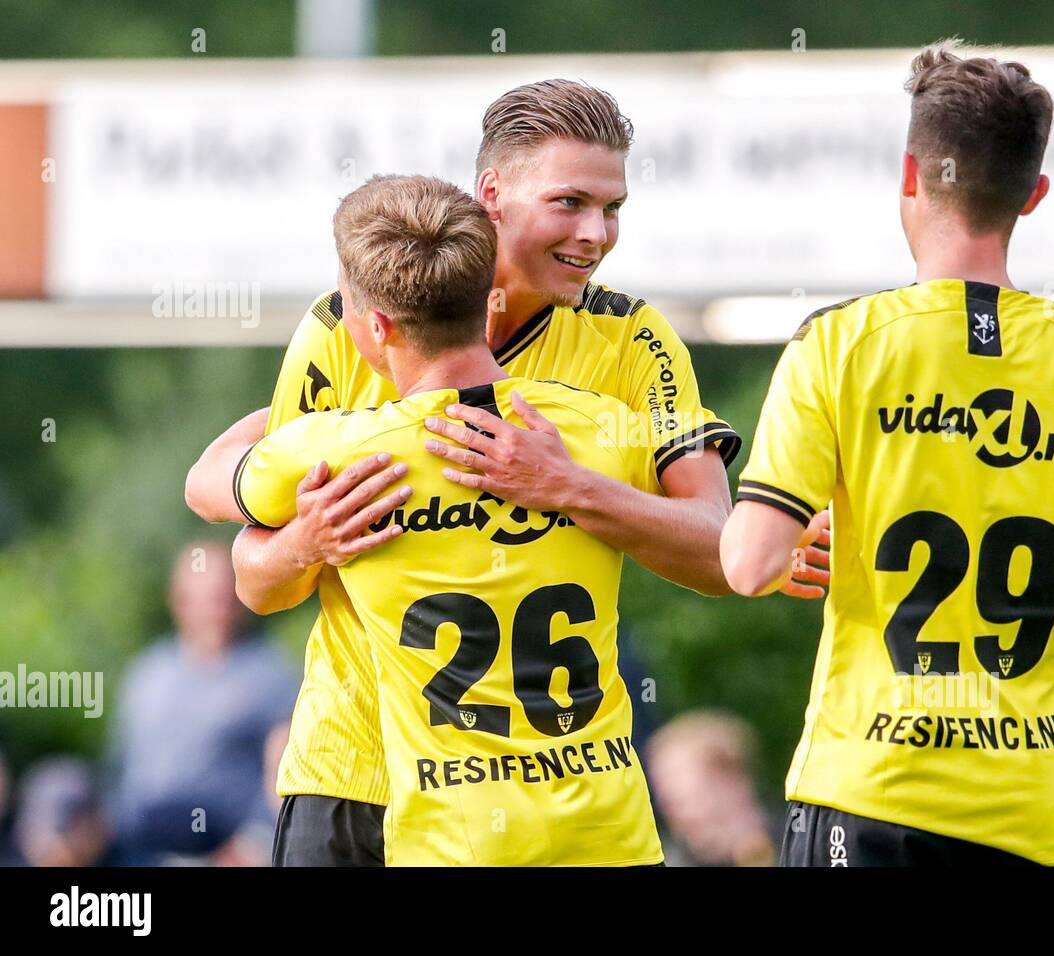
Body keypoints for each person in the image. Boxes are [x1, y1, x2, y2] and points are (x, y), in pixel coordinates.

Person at [184, 79, 819, 866]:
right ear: (493, 193)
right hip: (354, 774)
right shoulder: (356, 320)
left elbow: (719, 552)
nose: (597, 233)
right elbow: (257, 575)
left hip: (546, 801)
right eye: (570, 203)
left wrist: (570, 487)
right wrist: (307, 542)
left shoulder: (633, 342)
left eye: (613, 208)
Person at [719, 40, 1054, 867]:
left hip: (861, 796)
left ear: (912, 177)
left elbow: (746, 566)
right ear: (1034, 195)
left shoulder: (838, 346)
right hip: (1015, 821)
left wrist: (791, 544)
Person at [223, 174, 665, 864]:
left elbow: (213, 480)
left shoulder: (338, 451)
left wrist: (306, 515)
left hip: (443, 834)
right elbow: (725, 541)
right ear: (488, 296)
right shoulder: (599, 427)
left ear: (374, 327)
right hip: (607, 834)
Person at [108, 542, 296, 860]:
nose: (217, 608)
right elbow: (120, 770)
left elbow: (288, 778)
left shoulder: (272, 677)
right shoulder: (147, 674)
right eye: (207, 598)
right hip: (142, 849)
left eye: (225, 595)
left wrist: (256, 842)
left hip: (230, 851)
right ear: (178, 601)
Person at [645, 711, 778, 866]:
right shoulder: (670, 859)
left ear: (729, 777)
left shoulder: (799, 843)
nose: (665, 803)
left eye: (674, 776)